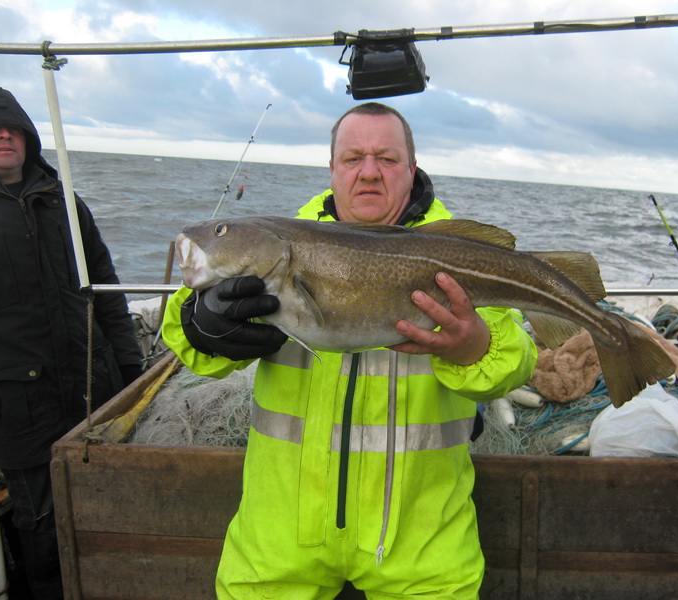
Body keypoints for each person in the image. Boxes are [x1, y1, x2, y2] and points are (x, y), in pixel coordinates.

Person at [162, 102, 537, 599]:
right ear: (332, 169)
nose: (368, 172)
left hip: (421, 544)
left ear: (412, 170)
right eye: (353, 158)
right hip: (278, 543)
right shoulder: (276, 247)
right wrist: (200, 324)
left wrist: (474, 346)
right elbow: (184, 332)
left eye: (387, 159)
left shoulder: (452, 251)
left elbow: (516, 359)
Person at [0, 86, 144, 599]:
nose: (3, 136)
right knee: (40, 529)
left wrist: (133, 373)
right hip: (18, 407)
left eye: (12, 127)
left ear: (30, 137)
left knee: (110, 512)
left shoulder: (66, 203)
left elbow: (108, 291)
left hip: (91, 390)